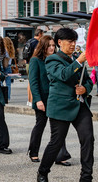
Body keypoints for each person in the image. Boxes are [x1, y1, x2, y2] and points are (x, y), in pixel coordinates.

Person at [37, 27, 98, 182]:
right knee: (56, 143)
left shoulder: (77, 59)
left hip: (80, 105)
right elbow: (63, 75)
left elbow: (88, 80)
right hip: (60, 107)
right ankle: (43, 172)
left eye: (74, 41)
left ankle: (86, 179)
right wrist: (78, 61)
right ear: (59, 42)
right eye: (69, 41)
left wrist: (85, 89)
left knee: (88, 139)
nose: (73, 45)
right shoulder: (52, 60)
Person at [27, 36, 71, 165]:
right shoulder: (36, 60)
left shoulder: (56, 59)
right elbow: (33, 82)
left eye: (53, 45)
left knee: (58, 128)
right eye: (49, 45)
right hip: (42, 99)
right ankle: (33, 152)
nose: (52, 48)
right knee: (40, 125)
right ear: (43, 46)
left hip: (56, 98)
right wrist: (38, 100)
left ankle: (60, 155)